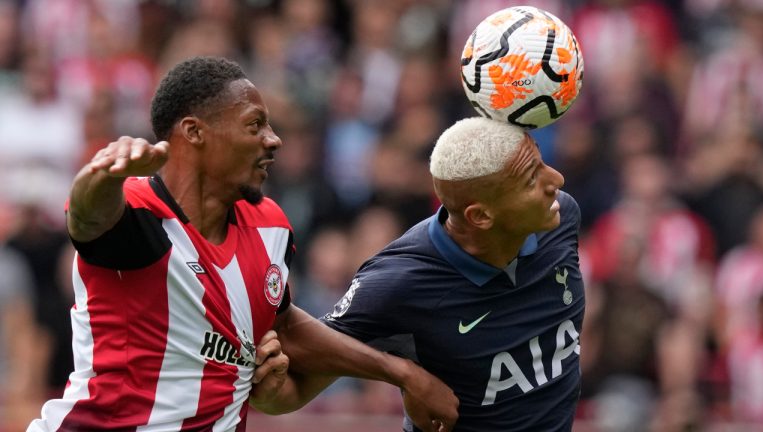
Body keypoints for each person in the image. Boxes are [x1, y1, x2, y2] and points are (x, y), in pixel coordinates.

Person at [27, 56, 458, 431]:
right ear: (194, 132)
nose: (273, 139)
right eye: (255, 124)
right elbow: (87, 216)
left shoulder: (269, 225)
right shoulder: (138, 212)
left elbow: (284, 325)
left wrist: (399, 371)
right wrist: (102, 173)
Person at [313, 117, 585, 431]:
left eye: (542, 162)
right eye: (530, 179)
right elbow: (286, 387)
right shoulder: (399, 281)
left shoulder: (560, 219)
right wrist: (402, 373)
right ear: (481, 215)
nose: (557, 180)